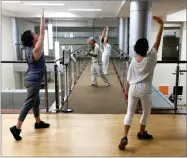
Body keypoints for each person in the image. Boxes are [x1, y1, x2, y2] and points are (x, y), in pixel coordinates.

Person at [118, 16, 164, 150]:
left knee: (129, 113)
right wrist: (161, 25)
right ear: (146, 48)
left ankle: (124, 137)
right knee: (145, 111)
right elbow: (158, 41)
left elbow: (128, 77)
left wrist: (126, 91)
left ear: (136, 48)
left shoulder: (133, 60)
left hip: (133, 88)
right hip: (145, 89)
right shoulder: (151, 57)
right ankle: (142, 133)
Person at [10, 10, 50, 141]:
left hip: (30, 78)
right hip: (33, 81)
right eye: (34, 34)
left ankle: (38, 122)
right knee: (28, 104)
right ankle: (17, 128)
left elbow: (39, 35)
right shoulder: (36, 50)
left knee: (36, 101)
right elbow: (43, 33)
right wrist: (42, 18)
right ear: (33, 40)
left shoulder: (28, 48)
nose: (37, 34)